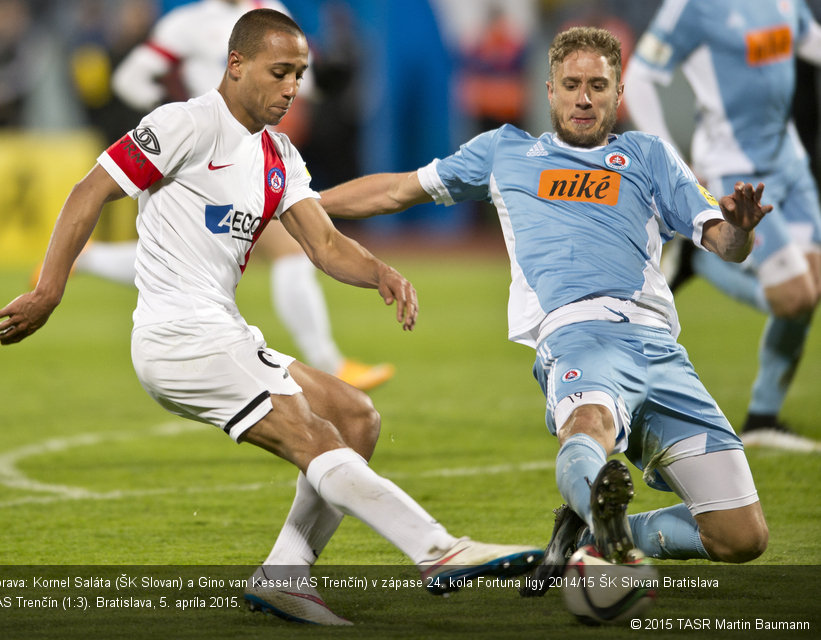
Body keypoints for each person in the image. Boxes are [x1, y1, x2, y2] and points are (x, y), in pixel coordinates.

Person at [0, 9, 542, 626]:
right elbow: (90, 189)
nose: (290, 88)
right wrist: (48, 290)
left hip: (222, 332)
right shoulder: (184, 125)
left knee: (356, 417)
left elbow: (326, 245)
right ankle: (439, 550)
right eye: (279, 72)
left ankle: (285, 577)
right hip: (180, 339)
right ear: (236, 65)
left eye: (298, 75)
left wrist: (380, 272)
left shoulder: (279, 155)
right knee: (316, 437)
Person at [319, 26, 771, 591]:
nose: (585, 97)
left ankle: (585, 536)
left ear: (618, 91)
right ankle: (616, 551)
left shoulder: (649, 156)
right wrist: (303, 204)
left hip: (661, 350)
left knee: (741, 535)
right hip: (579, 335)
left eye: (598, 86)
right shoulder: (504, 151)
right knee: (588, 426)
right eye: (573, 85)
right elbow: (397, 191)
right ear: (551, 89)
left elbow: (723, 242)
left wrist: (743, 231)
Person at [78, 0, 395, 391]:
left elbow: (294, 80)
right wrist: (176, 122)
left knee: (196, 251)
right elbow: (130, 78)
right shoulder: (187, 22)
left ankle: (88, 258)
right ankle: (331, 364)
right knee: (292, 250)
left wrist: (324, 81)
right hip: (204, 155)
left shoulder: (270, 11)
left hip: (253, 149)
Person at [623, 0, 821, 449]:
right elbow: (639, 77)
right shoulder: (691, 7)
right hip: (735, 171)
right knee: (794, 296)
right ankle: (702, 257)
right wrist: (672, 164)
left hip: (790, 164)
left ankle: (762, 417)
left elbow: (808, 38)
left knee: (812, 289)